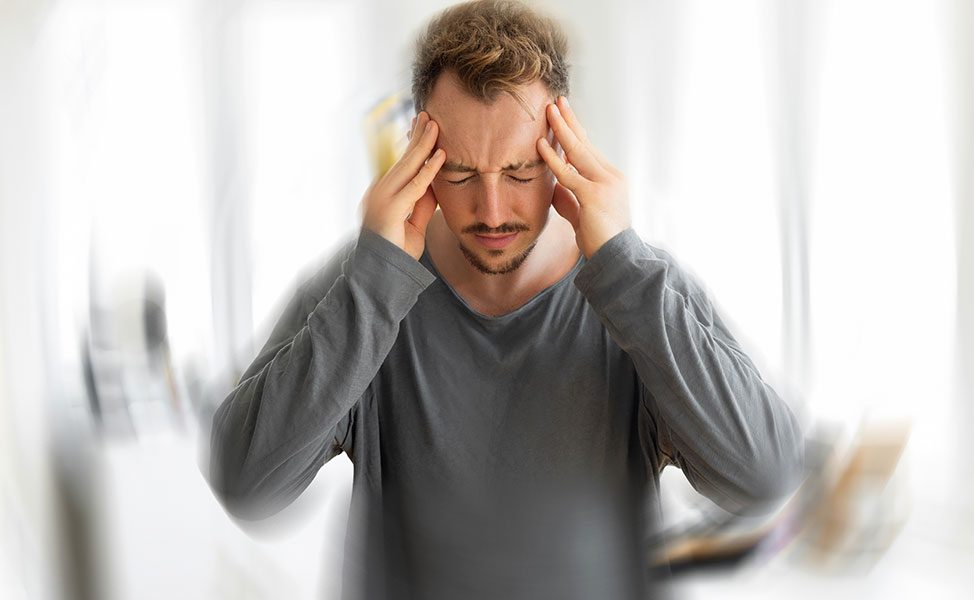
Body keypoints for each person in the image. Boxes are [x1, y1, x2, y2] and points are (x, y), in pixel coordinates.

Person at [207, 1, 804, 598]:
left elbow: (762, 479)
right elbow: (247, 486)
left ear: (562, 151)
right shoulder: (364, 287)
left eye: (519, 173)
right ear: (419, 155)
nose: (492, 212)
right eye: (461, 174)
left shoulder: (640, 289)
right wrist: (373, 284)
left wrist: (623, 268)